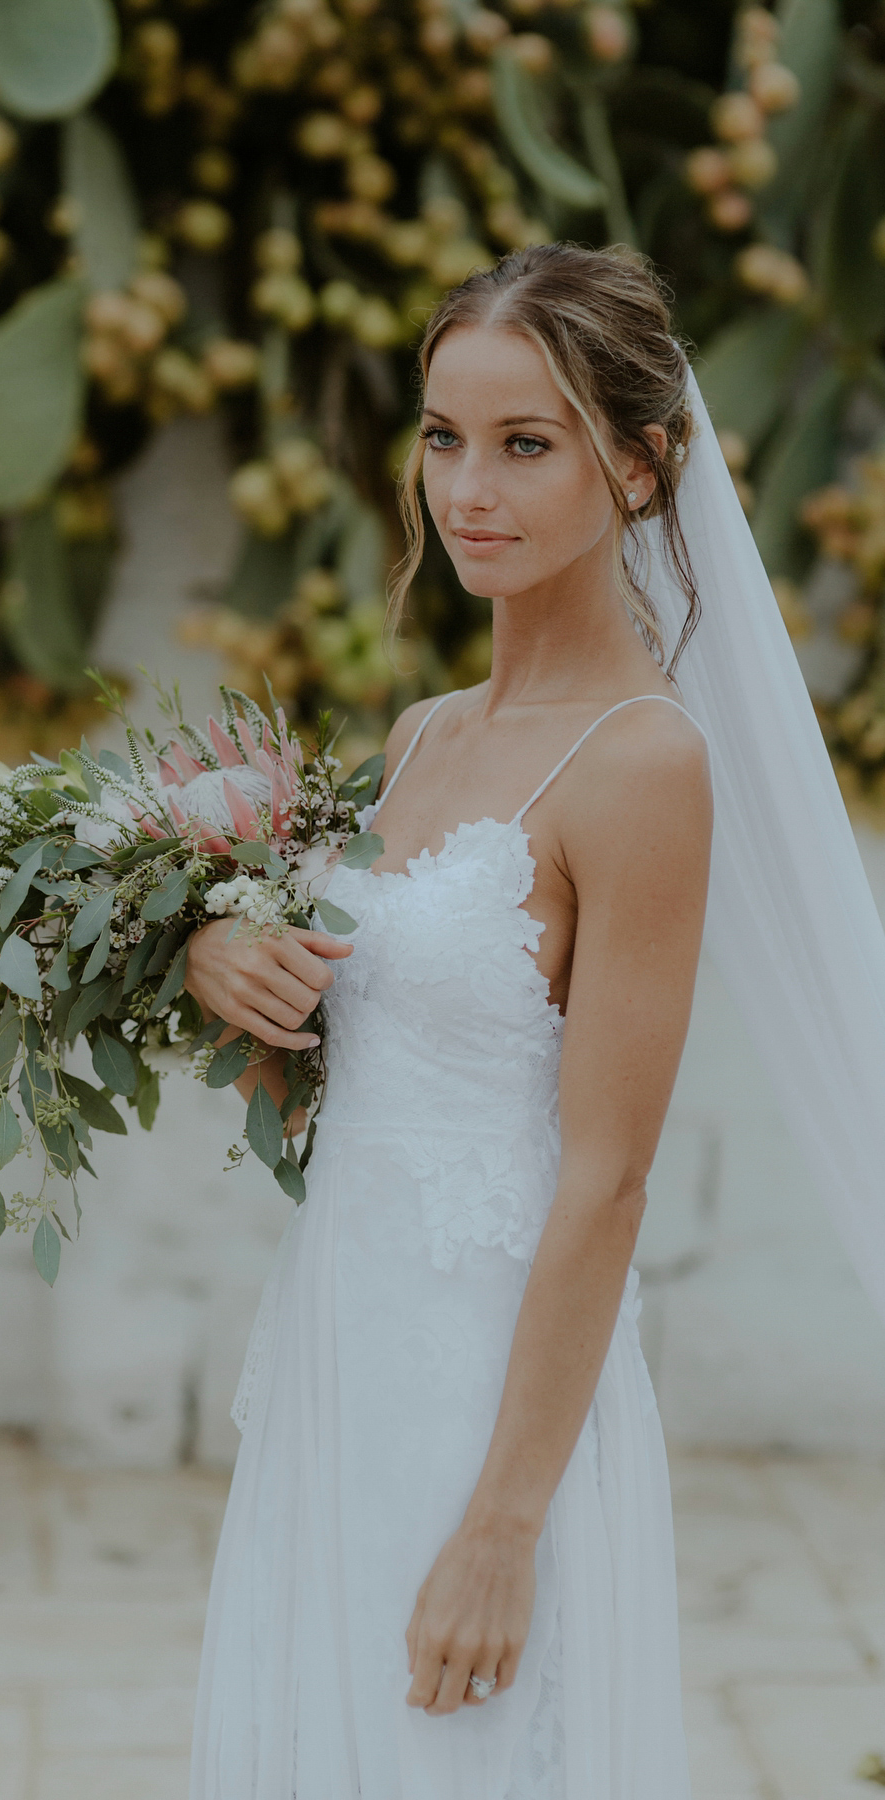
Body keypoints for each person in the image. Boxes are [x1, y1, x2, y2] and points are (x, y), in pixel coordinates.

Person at [184, 243, 885, 1797]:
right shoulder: (427, 735)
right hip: (336, 1349)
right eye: (443, 436)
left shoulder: (645, 763)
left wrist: (504, 1524)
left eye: (525, 443)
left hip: (490, 1392)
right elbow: (330, 1079)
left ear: (639, 468)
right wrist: (223, 970)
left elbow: (609, 1174)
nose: (468, 490)